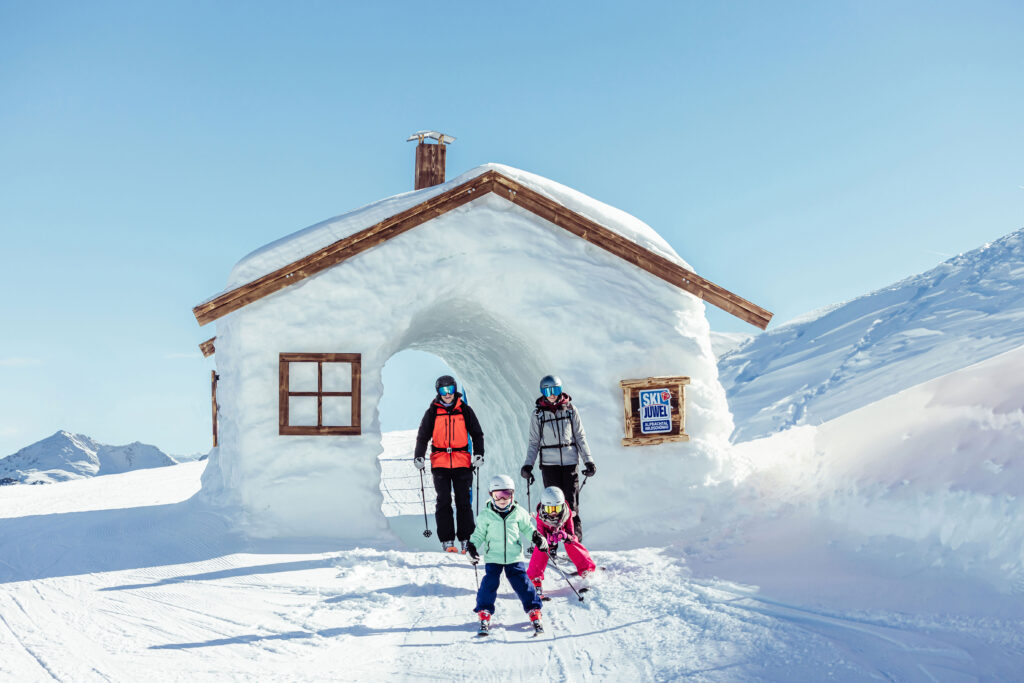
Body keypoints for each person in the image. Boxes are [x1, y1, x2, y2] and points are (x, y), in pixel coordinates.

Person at [520, 374, 595, 543]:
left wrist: (588, 460)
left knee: (571, 505)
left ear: (561, 390)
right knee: (551, 506)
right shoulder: (538, 415)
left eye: (556, 390)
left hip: (569, 463)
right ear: (542, 392)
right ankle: (550, 543)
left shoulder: (570, 410)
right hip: (549, 465)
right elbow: (534, 442)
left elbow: (580, 437)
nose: (552, 394)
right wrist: (528, 465)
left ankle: (574, 543)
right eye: (548, 390)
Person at [466, 474, 545, 635]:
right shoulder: (486, 515)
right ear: (491, 495)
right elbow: (479, 534)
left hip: (514, 556)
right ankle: (484, 611)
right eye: (498, 495)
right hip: (493, 556)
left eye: (506, 495)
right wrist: (472, 546)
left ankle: (534, 609)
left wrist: (536, 537)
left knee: (522, 583)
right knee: (489, 583)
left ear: (513, 494)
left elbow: (527, 528)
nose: (502, 500)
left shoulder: (518, 512)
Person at [414, 375, 485, 553]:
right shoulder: (432, 412)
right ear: (438, 392)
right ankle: (447, 540)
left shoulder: (465, 410)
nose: (447, 394)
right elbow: (423, 436)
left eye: (450, 390)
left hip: (462, 462)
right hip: (440, 463)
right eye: (443, 391)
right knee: (443, 501)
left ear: (455, 390)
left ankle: (466, 539)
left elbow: (477, 434)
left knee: (463, 502)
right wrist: (419, 456)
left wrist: (479, 454)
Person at [526, 487, 596, 597]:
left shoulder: (566, 514)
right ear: (544, 507)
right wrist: (547, 539)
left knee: (572, 543)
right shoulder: (540, 517)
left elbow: (572, 535)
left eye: (557, 508)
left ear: (562, 506)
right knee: (541, 547)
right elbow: (540, 534)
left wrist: (565, 536)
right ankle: (535, 578)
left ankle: (587, 569)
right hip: (548, 537)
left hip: (561, 533)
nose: (553, 512)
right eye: (550, 509)